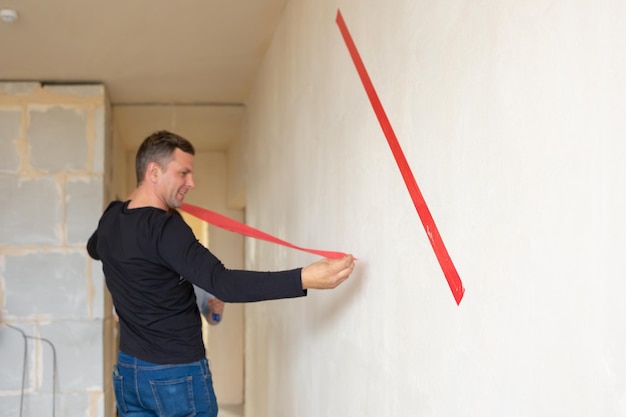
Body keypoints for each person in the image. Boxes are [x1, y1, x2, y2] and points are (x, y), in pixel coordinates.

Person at [87, 130, 355, 417]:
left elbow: (95, 249)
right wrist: (303, 278)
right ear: (153, 172)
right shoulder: (166, 228)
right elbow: (222, 283)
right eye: (183, 173)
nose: (192, 182)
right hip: (176, 374)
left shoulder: (112, 217)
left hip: (129, 371)